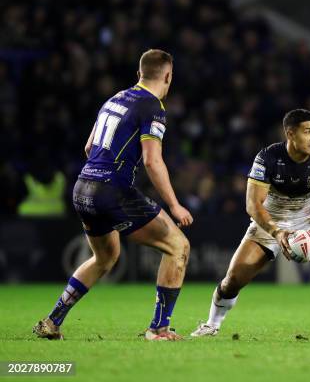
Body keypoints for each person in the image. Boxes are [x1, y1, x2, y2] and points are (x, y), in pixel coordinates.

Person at [33, 49, 193, 341]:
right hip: (111, 190)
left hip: (82, 187)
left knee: (105, 258)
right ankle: (158, 329)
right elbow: (152, 160)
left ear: (139, 74)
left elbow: (88, 147)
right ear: (168, 76)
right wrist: (174, 204)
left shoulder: (114, 98)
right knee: (177, 246)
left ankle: (53, 320)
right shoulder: (153, 106)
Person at [190, 109, 310, 338]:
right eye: (307, 132)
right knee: (233, 280)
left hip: (305, 221)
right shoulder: (268, 158)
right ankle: (211, 324)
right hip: (268, 224)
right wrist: (277, 233)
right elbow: (253, 205)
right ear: (290, 134)